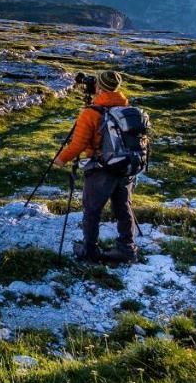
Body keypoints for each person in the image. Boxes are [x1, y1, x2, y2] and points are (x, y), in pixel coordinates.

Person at [54, 69, 138, 262]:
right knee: (123, 208)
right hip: (125, 167)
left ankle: (90, 251)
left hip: (101, 169)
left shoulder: (90, 113)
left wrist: (61, 159)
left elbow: (78, 144)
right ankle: (127, 249)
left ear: (98, 87)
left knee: (92, 211)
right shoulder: (126, 110)